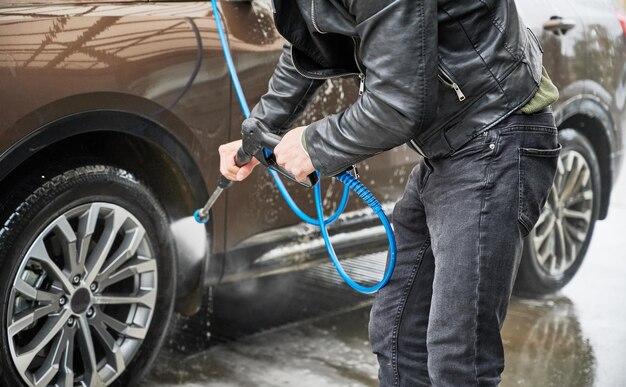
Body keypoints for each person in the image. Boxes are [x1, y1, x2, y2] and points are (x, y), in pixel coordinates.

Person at [218, 1, 560, 385]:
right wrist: (257, 130)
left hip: (493, 136)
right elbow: (310, 42)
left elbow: (397, 106)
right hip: (448, 149)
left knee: (459, 359)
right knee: (398, 334)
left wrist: (314, 145)